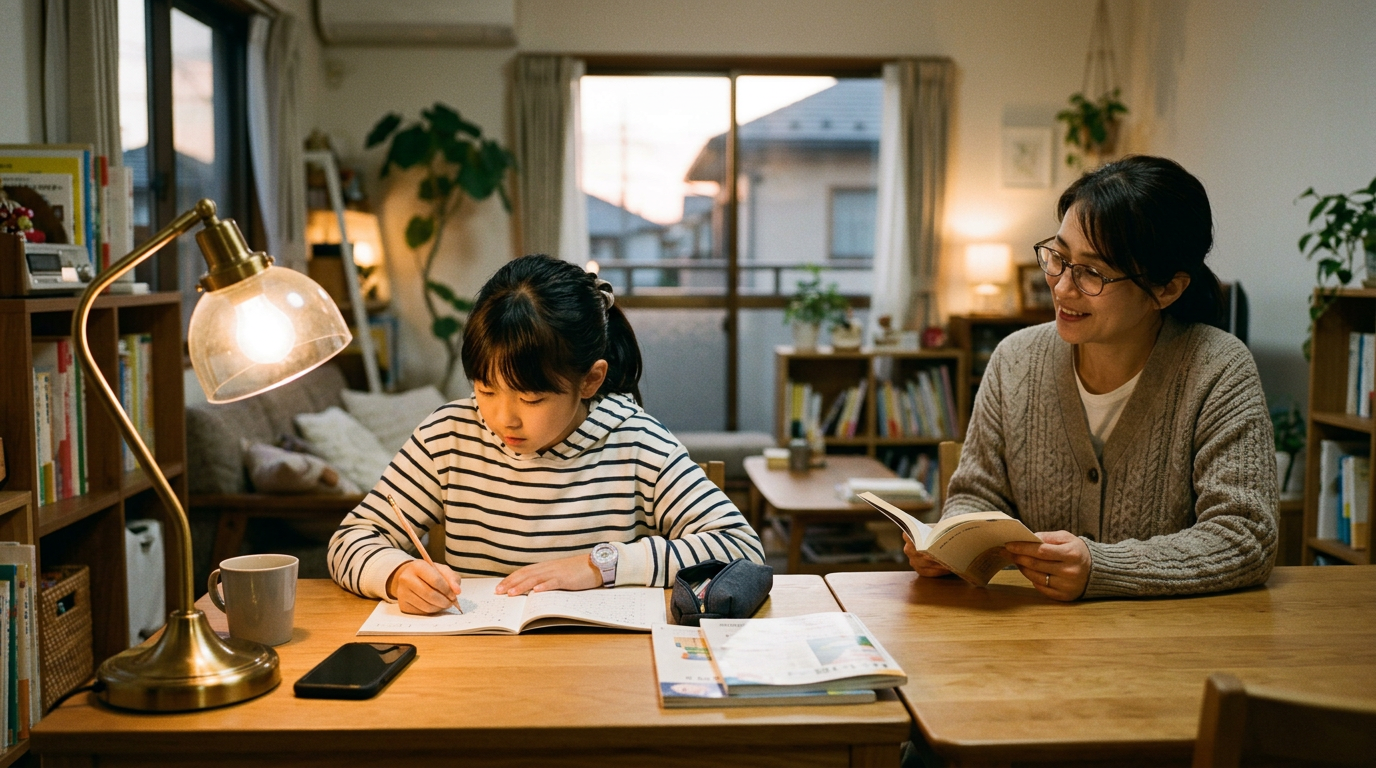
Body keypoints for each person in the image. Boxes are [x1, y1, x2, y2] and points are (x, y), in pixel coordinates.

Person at [906, 155, 1276, 600]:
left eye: (1093, 273)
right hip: (1027, 640)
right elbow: (977, 498)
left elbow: (1245, 537)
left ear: (1167, 288)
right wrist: (950, 544)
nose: (1062, 288)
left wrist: (1103, 567)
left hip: (1169, 648)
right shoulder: (1015, 360)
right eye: (1058, 258)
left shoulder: (1217, 369)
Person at [328, 254, 765, 614]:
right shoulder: (448, 437)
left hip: (602, 669)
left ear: (590, 381)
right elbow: (350, 540)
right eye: (485, 389)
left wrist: (601, 565)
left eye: (531, 399)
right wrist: (396, 574)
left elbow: (741, 550)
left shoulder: (636, 442)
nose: (504, 419)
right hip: (477, 665)